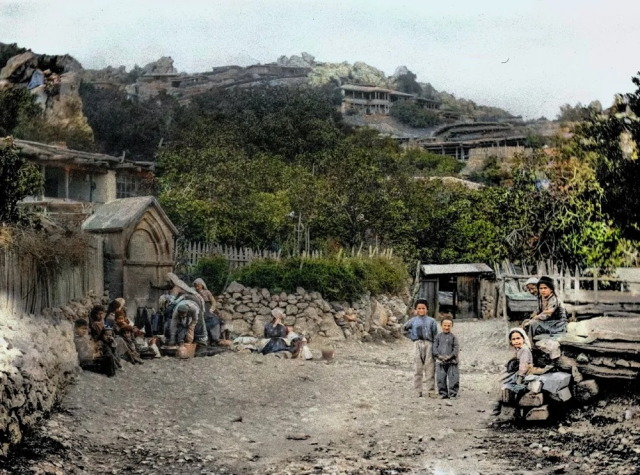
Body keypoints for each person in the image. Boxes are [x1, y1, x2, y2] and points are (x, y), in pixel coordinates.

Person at [492, 328, 533, 416]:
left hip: (523, 374)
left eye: (518, 338)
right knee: (499, 381)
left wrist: (519, 378)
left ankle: (502, 406)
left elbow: (523, 366)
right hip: (517, 372)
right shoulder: (518, 349)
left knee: (504, 385)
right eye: (513, 339)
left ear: (523, 338)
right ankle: (499, 405)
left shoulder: (524, 350)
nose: (516, 341)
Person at [403, 299, 439, 397]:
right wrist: (412, 337)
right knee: (417, 367)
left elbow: (435, 335)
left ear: (427, 309)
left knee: (430, 367)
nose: (421, 310)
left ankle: (431, 390)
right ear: (416, 309)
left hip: (429, 344)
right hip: (417, 344)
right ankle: (417, 390)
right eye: (419, 308)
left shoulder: (432, 321)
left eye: (423, 308)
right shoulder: (413, 321)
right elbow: (404, 330)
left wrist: (435, 347)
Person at [524, 275, 567, 342]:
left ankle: (532, 344)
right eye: (541, 288)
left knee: (533, 324)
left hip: (557, 323)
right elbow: (538, 310)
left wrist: (536, 317)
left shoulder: (554, 299)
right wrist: (532, 317)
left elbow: (547, 314)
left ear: (551, 289)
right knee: (526, 322)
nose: (543, 290)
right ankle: (526, 342)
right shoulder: (541, 298)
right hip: (547, 322)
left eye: (545, 288)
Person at [432, 318, 460, 399]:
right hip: (440, 361)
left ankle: (453, 394)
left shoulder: (454, 337)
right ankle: (442, 393)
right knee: (440, 378)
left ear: (451, 326)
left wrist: (450, 356)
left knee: (454, 378)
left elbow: (456, 348)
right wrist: (439, 356)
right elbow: (434, 348)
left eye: (449, 326)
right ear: (441, 325)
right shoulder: (437, 337)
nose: (446, 327)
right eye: (445, 325)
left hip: (452, 361)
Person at [194, 278, 222, 344]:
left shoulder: (207, 292)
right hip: (199, 309)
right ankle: (204, 339)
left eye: (198, 286)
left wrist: (212, 309)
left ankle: (215, 338)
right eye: (196, 286)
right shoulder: (195, 293)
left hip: (207, 309)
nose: (197, 288)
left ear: (202, 285)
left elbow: (213, 302)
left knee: (214, 320)